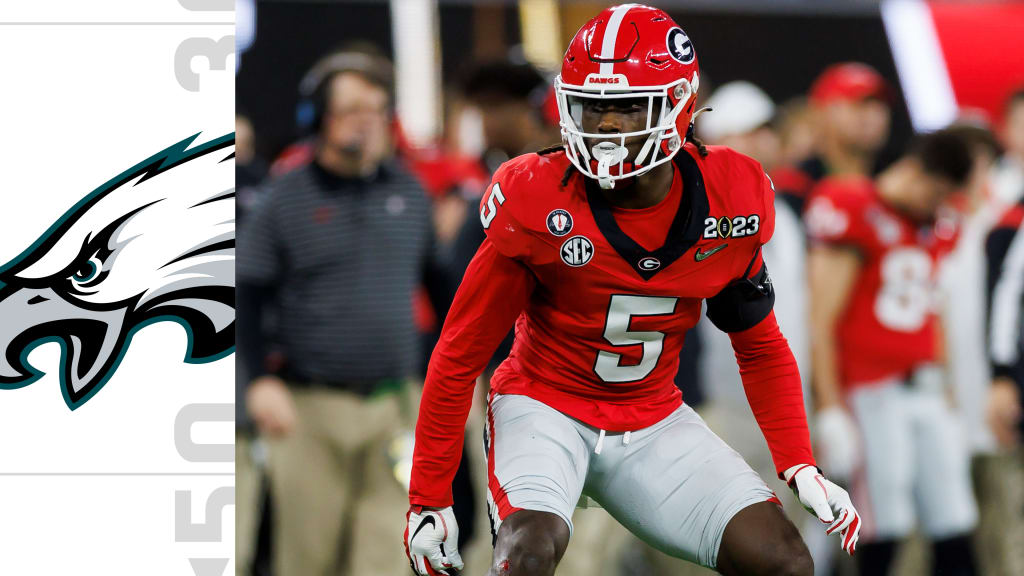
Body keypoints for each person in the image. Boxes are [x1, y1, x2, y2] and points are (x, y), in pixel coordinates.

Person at [405, 6, 861, 576]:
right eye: (591, 107)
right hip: (544, 405)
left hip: (652, 415)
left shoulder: (731, 196)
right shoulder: (538, 195)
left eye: (626, 107)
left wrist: (799, 464)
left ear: (679, 104)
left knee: (785, 560)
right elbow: (457, 353)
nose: (605, 127)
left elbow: (760, 345)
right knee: (525, 552)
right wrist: (429, 496)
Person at [236, 48, 445, 576]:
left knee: (388, 557)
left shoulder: (409, 192)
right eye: (352, 108)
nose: (367, 121)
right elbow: (246, 293)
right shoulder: (284, 198)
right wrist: (257, 379)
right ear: (317, 119)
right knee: (308, 561)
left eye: (376, 108)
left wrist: (456, 373)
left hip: (395, 407)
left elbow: (444, 291)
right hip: (309, 409)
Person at [805, 128, 978, 576]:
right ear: (916, 171)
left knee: (955, 522)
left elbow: (931, 310)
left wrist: (949, 391)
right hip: (873, 393)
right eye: (937, 192)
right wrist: (830, 407)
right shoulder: (855, 205)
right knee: (885, 527)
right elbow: (821, 318)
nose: (940, 206)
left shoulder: (934, 223)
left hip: (926, 390)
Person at [771, 62, 892, 215]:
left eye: (880, 104)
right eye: (860, 103)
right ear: (823, 113)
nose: (875, 115)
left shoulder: (899, 184)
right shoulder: (795, 187)